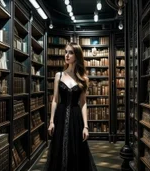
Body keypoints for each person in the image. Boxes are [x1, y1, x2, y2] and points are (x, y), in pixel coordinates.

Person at [44, 42, 97, 171]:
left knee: (76, 150)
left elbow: (83, 103)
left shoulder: (83, 78)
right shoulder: (59, 75)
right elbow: (55, 100)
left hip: (75, 116)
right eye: (66, 52)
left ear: (77, 55)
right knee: (59, 149)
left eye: (71, 52)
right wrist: (51, 122)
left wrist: (85, 126)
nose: (67, 55)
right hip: (60, 116)